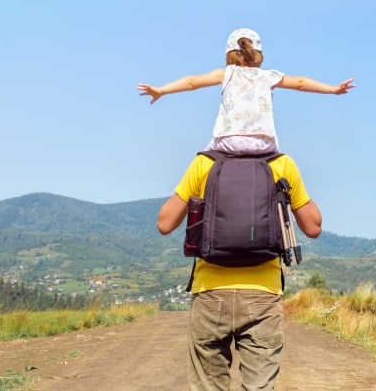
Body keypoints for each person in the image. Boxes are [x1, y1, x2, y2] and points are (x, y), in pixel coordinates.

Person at [156, 152, 322, 391]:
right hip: (263, 298)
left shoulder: (204, 164)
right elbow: (314, 226)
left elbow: (164, 223)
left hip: (209, 296)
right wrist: (294, 191)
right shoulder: (282, 164)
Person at [137, 28, 355, 155]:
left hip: (227, 141)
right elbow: (300, 82)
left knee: (199, 169)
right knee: (283, 172)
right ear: (258, 54)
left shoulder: (227, 73)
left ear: (229, 54)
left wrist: (162, 90)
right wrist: (333, 89)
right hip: (265, 144)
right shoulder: (268, 76)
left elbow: (192, 82)